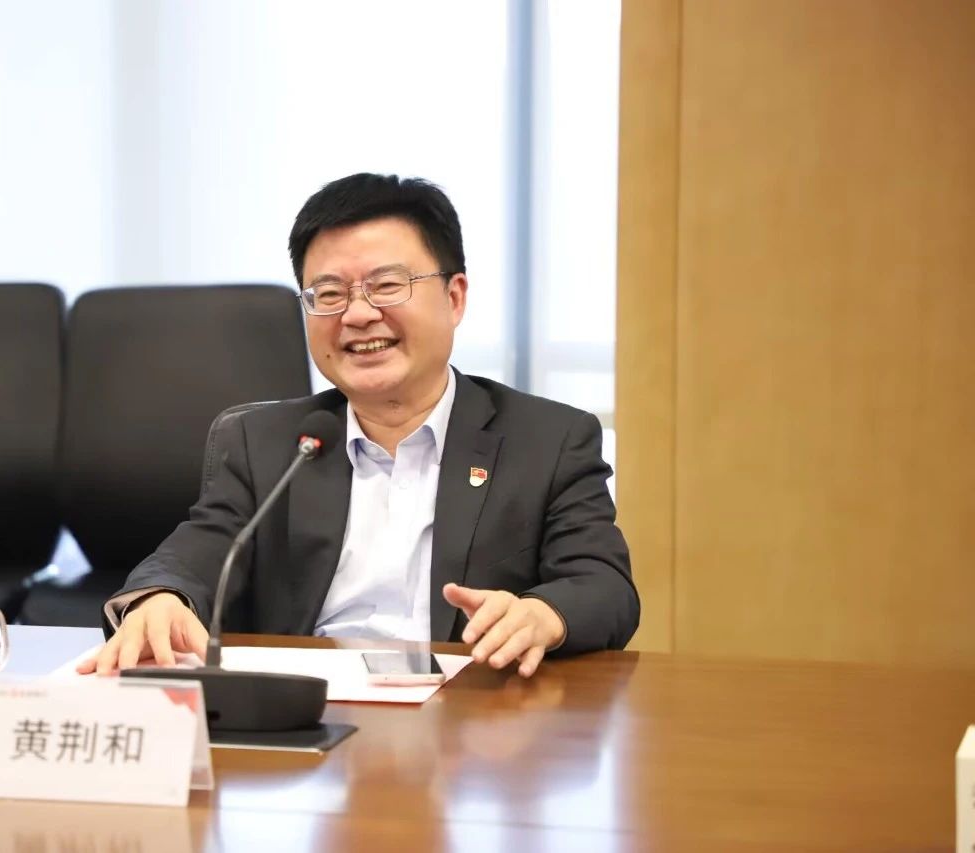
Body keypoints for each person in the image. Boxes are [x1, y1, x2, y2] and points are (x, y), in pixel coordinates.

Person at [79, 173, 638, 679]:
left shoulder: (548, 440)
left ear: (454, 298)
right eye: (329, 294)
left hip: (473, 720)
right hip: (307, 718)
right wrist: (161, 597)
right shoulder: (268, 444)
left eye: (387, 286)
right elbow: (197, 551)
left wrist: (542, 614)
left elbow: (604, 585)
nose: (358, 314)